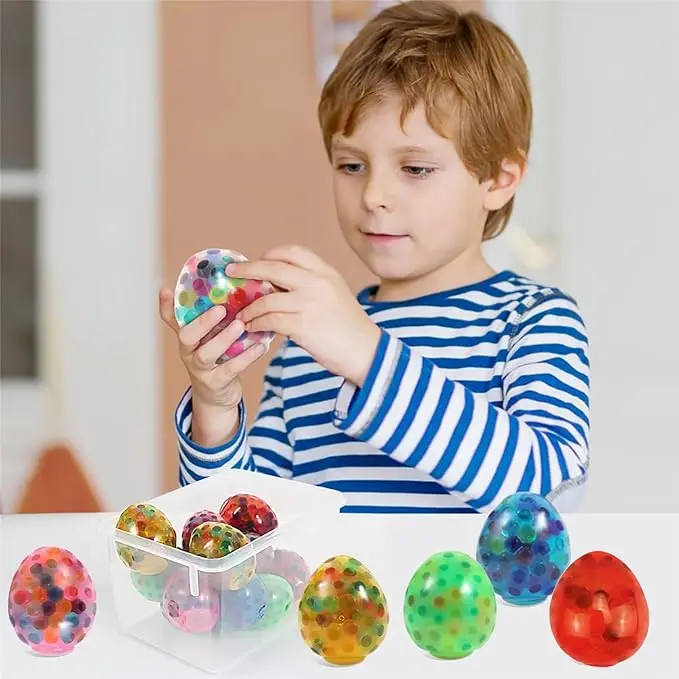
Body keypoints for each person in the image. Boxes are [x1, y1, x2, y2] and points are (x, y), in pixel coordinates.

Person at [159, 0, 590, 514]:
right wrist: (216, 405)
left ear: (498, 180)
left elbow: (549, 496)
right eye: (351, 165)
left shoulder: (534, 321)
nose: (373, 195)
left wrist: (367, 354)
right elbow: (243, 533)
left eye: (415, 168)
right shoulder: (302, 352)